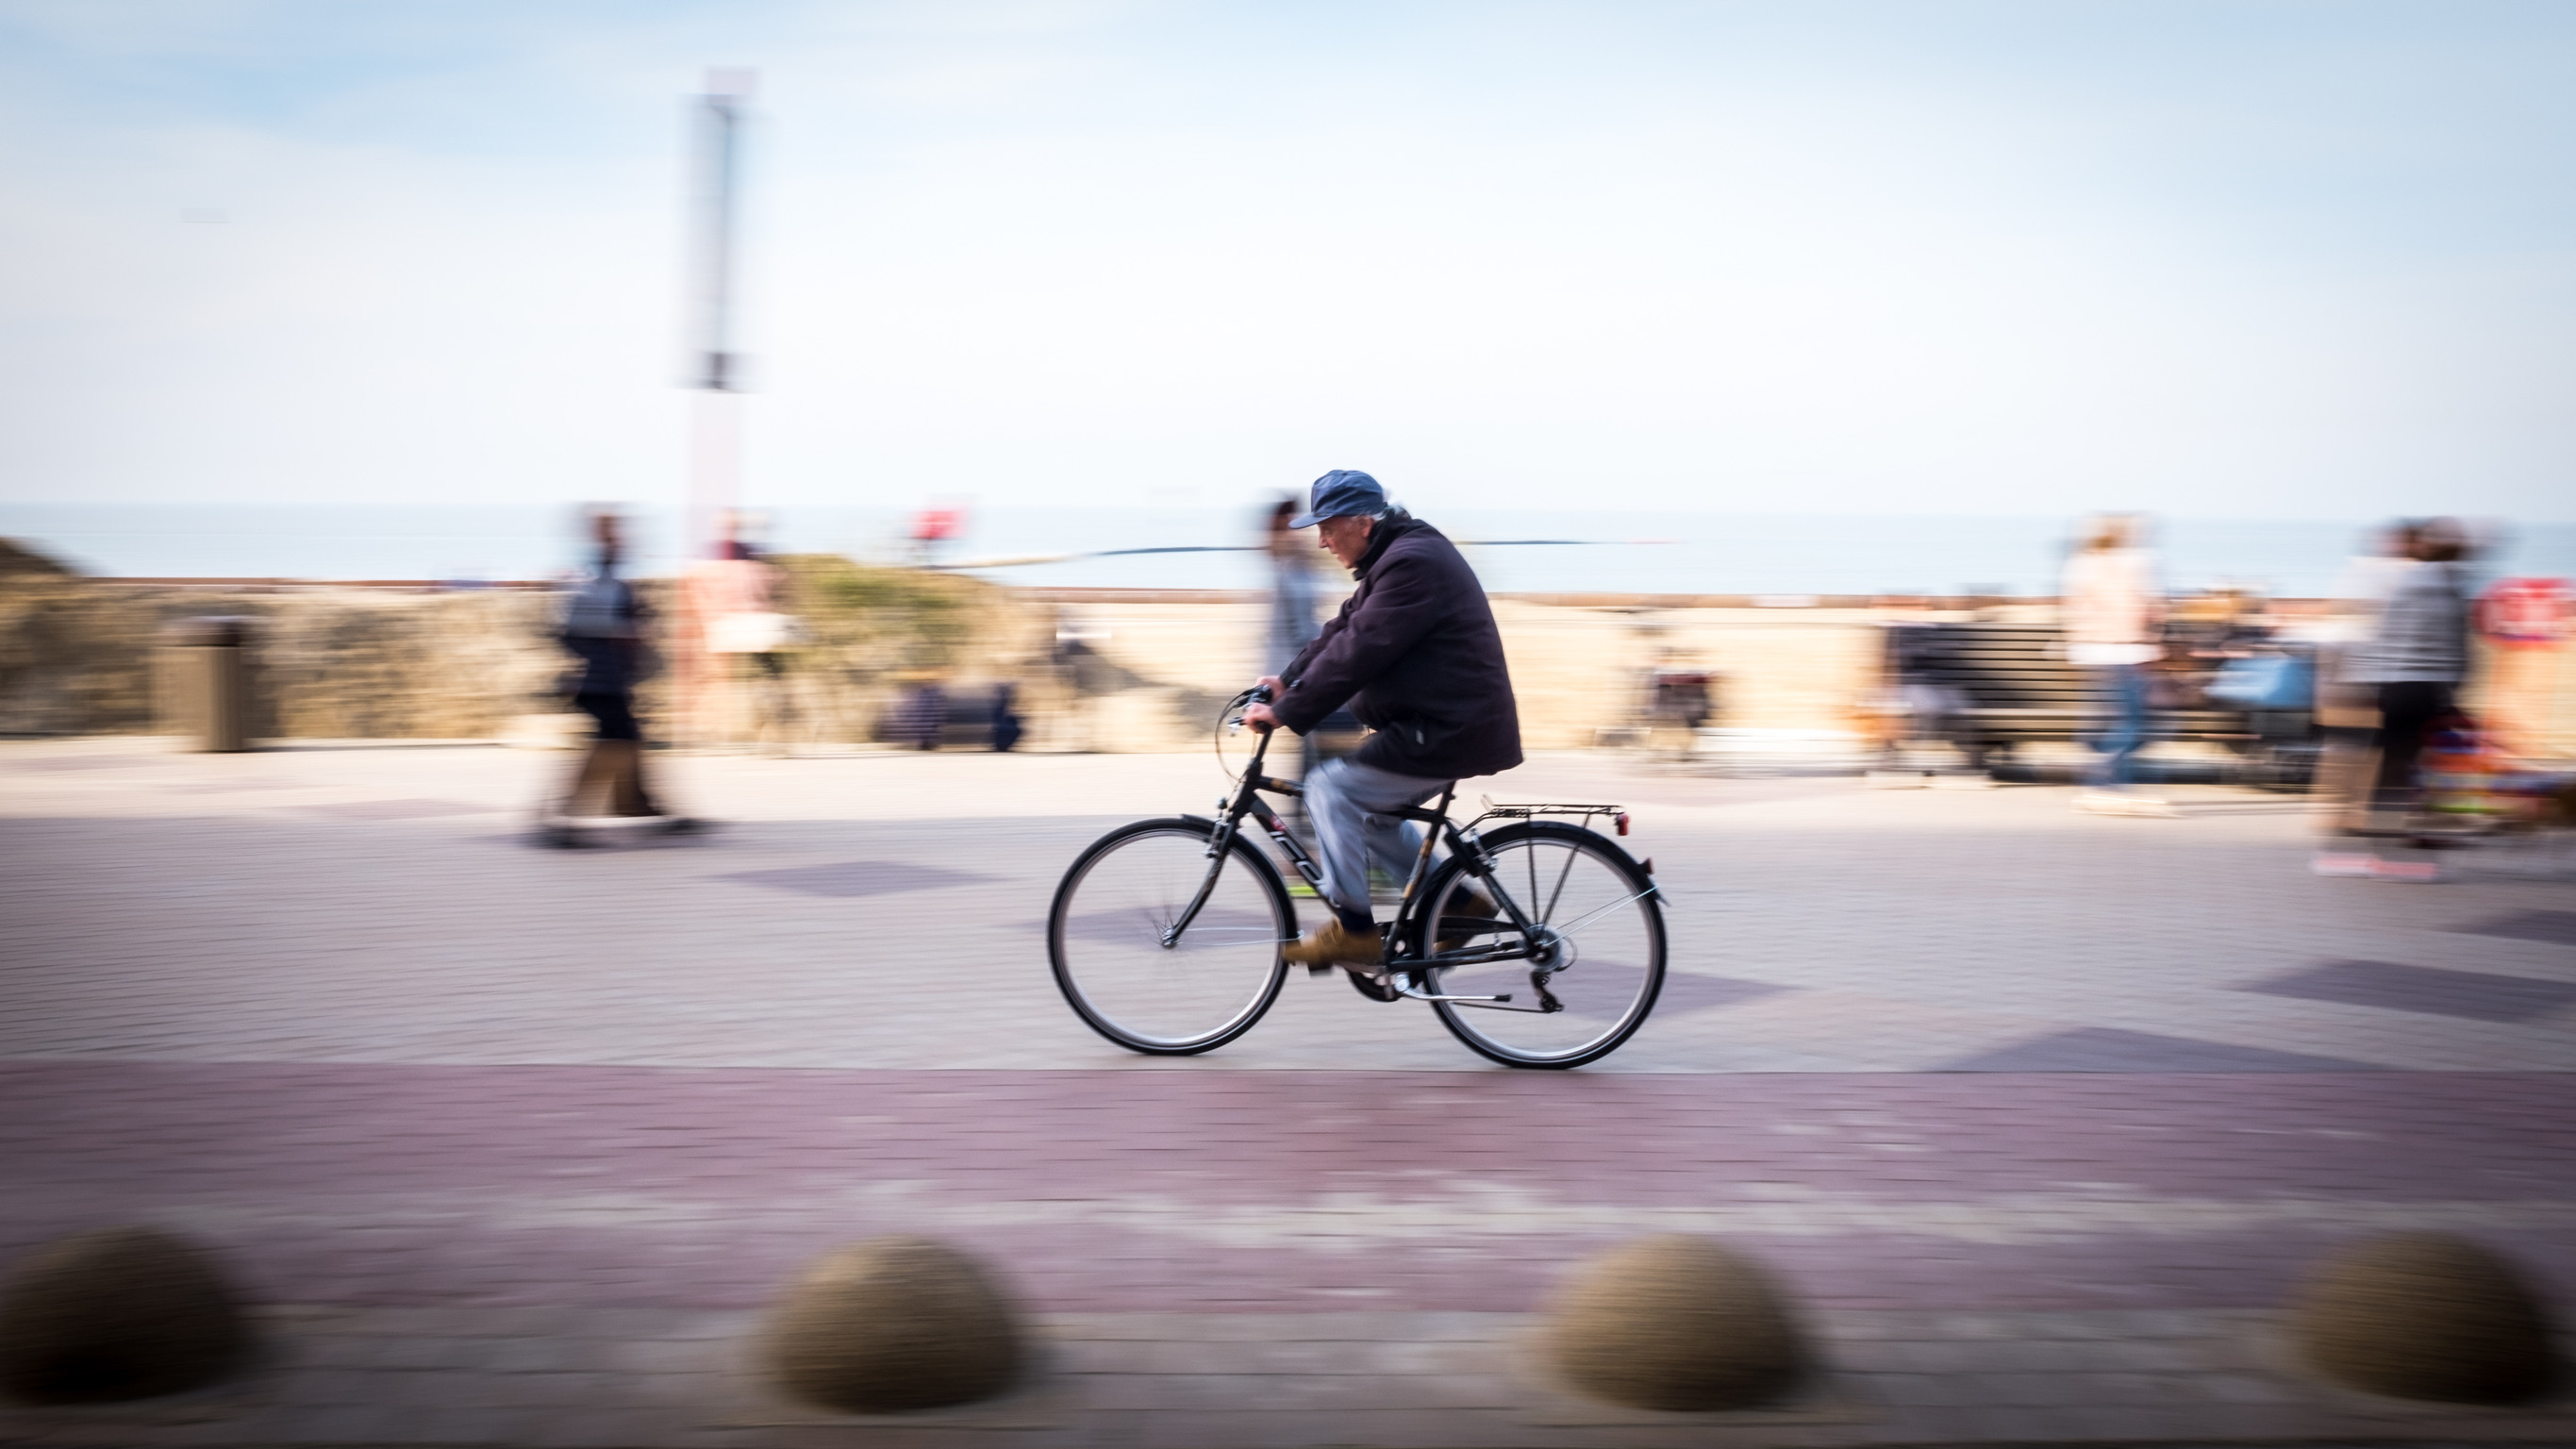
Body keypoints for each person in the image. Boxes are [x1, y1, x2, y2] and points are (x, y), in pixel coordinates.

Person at [1241, 471, 1522, 984]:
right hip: (1436, 724)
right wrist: (1286, 682)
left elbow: (1360, 650)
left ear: (1362, 523)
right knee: (1374, 819)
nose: (1322, 541)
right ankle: (1458, 905)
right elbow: (1341, 629)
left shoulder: (1412, 563)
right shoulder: (1394, 557)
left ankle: (1355, 930)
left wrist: (1289, 711)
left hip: (1448, 729)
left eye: (1328, 527)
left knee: (1329, 790)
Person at [540, 509, 703, 847]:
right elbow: (577, 627)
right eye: (614, 532)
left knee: (626, 738)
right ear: (601, 534)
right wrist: (625, 630)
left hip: (608, 676)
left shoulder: (605, 575)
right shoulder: (592, 576)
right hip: (598, 678)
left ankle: (635, 803)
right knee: (616, 741)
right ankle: (566, 815)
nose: (621, 538)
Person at [2328, 518, 2474, 880]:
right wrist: (2454, 690)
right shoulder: (2447, 588)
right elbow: (2457, 648)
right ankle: (2384, 844)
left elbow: (2384, 635)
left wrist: (2377, 684)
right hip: (2426, 688)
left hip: (2398, 686)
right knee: (2409, 764)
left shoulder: (2409, 584)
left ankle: (2386, 837)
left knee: (2397, 764)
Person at [2059, 514, 2172, 816]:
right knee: (2133, 722)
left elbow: (2072, 606)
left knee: (2109, 720)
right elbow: (2149, 607)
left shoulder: (2079, 563)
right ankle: (2105, 783)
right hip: (2126, 651)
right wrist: (2153, 638)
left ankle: (2105, 779)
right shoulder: (2138, 561)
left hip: (2090, 653)